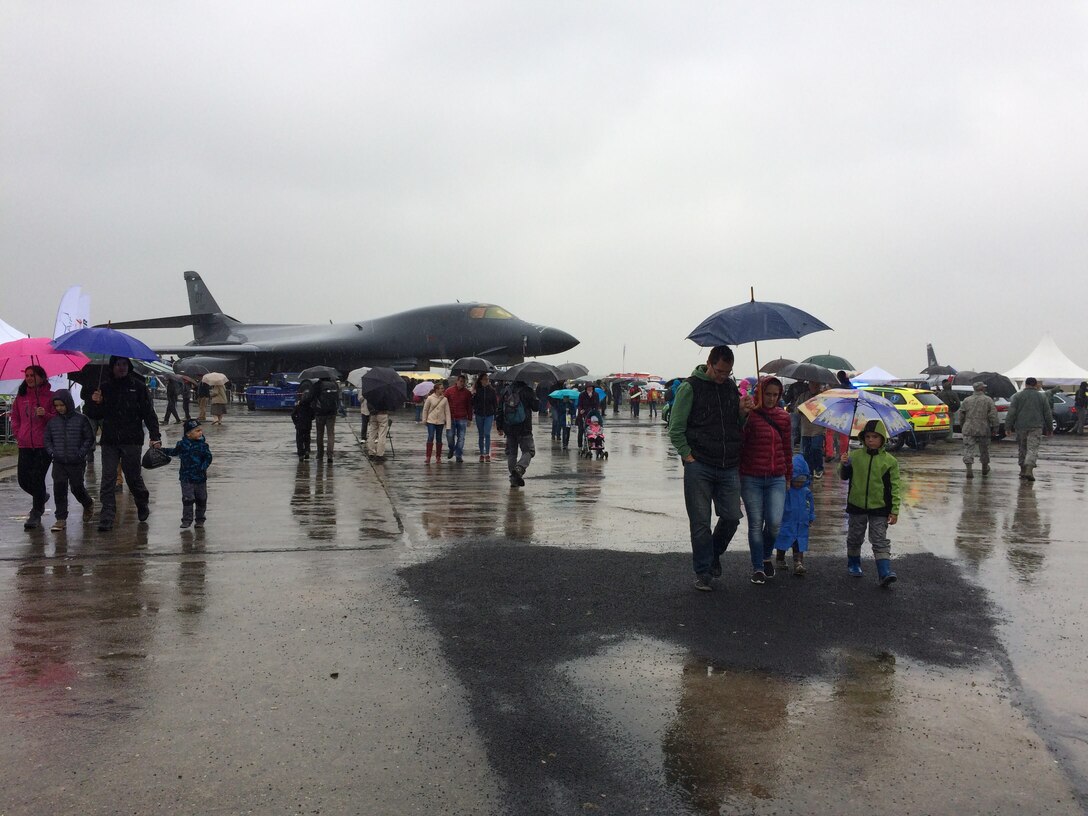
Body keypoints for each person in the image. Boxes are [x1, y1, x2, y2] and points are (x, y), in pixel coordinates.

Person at [667, 345, 754, 591]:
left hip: (728, 464)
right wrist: (687, 455)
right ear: (709, 363)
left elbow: (734, 424)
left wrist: (742, 412)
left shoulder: (729, 388)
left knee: (732, 517)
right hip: (700, 464)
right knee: (700, 522)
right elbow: (675, 428)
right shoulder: (689, 387)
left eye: (727, 372)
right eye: (719, 371)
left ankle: (713, 554)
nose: (722, 376)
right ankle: (703, 571)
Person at [83, 355, 162, 532]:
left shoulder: (139, 387)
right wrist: (94, 402)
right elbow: (93, 414)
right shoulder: (104, 388)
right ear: (112, 367)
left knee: (133, 477)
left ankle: (142, 500)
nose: (121, 367)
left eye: (124, 364)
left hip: (132, 440)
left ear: (129, 366)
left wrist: (155, 436)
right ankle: (107, 515)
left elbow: (149, 413)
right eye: (118, 364)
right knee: (108, 479)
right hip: (110, 440)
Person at [738, 377, 792, 584]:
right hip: (751, 477)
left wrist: (788, 475)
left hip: (776, 477)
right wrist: (743, 415)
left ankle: (766, 554)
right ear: (760, 392)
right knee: (755, 524)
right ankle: (758, 566)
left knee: (774, 523)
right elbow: (740, 443)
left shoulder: (783, 417)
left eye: (775, 395)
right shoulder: (750, 415)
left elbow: (787, 448)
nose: (771, 398)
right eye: (767, 394)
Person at [839, 419, 901, 586]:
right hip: (856, 505)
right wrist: (844, 464)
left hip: (880, 508)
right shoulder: (855, 456)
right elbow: (844, 476)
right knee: (854, 537)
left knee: (879, 539)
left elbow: (895, 487)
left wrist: (894, 510)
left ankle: (884, 572)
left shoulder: (890, 461)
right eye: (867, 436)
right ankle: (853, 563)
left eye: (875, 436)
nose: (871, 440)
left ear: (883, 439)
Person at [43, 388, 95, 531]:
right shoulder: (53, 422)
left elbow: (89, 438)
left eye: (62, 405)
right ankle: (60, 518)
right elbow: (47, 439)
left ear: (68, 403)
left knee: (77, 487)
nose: (59, 408)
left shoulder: (81, 419)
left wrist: (81, 453)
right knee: (59, 489)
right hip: (59, 461)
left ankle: (88, 503)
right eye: (57, 405)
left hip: (76, 462)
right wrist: (52, 452)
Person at [11, 365, 56, 530]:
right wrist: (18, 433)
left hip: (43, 445)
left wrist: (46, 415)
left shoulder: (51, 397)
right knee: (23, 480)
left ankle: (36, 513)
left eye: (33, 375)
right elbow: (15, 417)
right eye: (27, 375)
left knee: (37, 478)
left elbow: (57, 421)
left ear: (42, 377)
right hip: (24, 445)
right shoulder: (21, 397)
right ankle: (41, 496)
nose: (29, 378)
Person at [164, 418, 213, 528]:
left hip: (200, 478)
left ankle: (200, 519)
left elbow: (208, 458)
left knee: (201, 499)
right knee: (187, 499)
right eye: (197, 431)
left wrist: (203, 467)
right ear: (188, 434)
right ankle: (187, 519)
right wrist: (163, 450)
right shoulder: (182, 445)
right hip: (186, 477)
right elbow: (174, 452)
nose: (200, 432)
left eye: (201, 430)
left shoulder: (203, 446)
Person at [774, 454, 815, 575]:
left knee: (799, 543)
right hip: (787, 521)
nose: (799, 483)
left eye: (802, 480)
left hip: (801, 522)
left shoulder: (806, 491)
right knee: (783, 539)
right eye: (796, 480)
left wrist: (811, 516)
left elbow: (810, 505)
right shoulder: (786, 490)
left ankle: (798, 563)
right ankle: (780, 558)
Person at [1006, 377, 1053, 481]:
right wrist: (1050, 428)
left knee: (1022, 448)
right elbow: (1047, 413)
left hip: (1021, 426)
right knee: (1032, 448)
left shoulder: (1017, 396)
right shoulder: (1042, 397)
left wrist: (1008, 427)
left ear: (1026, 384)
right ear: (1036, 385)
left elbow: (1011, 413)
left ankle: (1022, 470)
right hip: (1036, 427)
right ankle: (1029, 470)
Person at [496, 377, 539, 487]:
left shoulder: (506, 391)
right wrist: (535, 397)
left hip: (509, 427)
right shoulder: (527, 391)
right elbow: (536, 408)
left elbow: (500, 409)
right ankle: (519, 468)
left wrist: (499, 426)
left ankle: (514, 478)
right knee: (529, 451)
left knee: (511, 453)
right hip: (524, 428)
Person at [957, 381, 998, 478]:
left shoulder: (967, 400)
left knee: (968, 449)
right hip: (983, 428)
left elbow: (961, 414)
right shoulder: (988, 400)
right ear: (982, 389)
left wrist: (962, 425)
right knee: (984, 449)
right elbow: (993, 415)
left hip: (969, 427)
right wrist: (995, 426)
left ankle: (969, 469)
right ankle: (984, 467)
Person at [798, 381, 826, 479]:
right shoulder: (803, 396)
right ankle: (809, 470)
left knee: (816, 448)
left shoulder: (823, 396)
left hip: (818, 428)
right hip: (806, 428)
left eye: (816, 384)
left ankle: (819, 468)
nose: (814, 386)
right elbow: (797, 409)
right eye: (812, 384)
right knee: (806, 451)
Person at [444, 374, 473, 463]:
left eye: (464, 382)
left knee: (461, 438)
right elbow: (444, 404)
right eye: (461, 381)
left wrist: (469, 419)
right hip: (451, 417)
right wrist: (444, 417)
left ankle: (458, 455)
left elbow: (469, 406)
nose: (462, 383)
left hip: (462, 418)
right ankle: (451, 449)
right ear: (457, 381)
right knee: (450, 436)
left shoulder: (467, 393)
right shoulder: (449, 391)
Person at [311, 377, 341, 463]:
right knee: (330, 434)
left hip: (320, 413)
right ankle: (330, 455)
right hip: (332, 412)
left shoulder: (317, 385)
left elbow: (312, 397)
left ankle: (320, 454)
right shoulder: (334, 384)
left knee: (320, 434)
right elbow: (338, 397)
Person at [422, 380, 451, 463]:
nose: (443, 390)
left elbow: (447, 412)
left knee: (439, 438)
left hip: (440, 421)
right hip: (431, 420)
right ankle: (428, 457)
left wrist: (448, 424)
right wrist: (424, 420)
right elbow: (425, 409)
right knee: (430, 436)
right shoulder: (430, 398)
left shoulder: (445, 399)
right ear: (436, 389)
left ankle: (438, 457)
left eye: (443, 388)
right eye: (441, 388)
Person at [472, 373, 499, 462]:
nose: (487, 381)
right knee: (481, 434)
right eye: (485, 379)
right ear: (481, 380)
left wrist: (495, 417)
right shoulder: (477, 390)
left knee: (487, 434)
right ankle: (481, 453)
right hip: (479, 414)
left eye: (488, 379)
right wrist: (473, 395)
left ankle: (487, 453)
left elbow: (495, 404)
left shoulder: (492, 390)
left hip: (489, 414)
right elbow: (472, 403)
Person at [291, 381, 315, 459]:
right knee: (307, 438)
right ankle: (307, 450)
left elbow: (293, 415)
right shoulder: (310, 407)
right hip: (308, 425)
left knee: (299, 439)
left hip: (299, 425)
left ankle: (301, 453)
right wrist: (310, 419)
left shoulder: (298, 406)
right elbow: (313, 416)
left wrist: (296, 422)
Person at [576, 382, 602, 449]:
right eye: (588, 388)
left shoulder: (595, 394)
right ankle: (580, 445)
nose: (590, 389)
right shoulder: (582, 394)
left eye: (591, 388)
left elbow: (597, 404)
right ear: (586, 388)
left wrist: (597, 410)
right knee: (581, 430)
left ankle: (596, 444)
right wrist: (581, 410)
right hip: (583, 414)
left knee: (594, 429)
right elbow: (579, 404)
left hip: (592, 414)